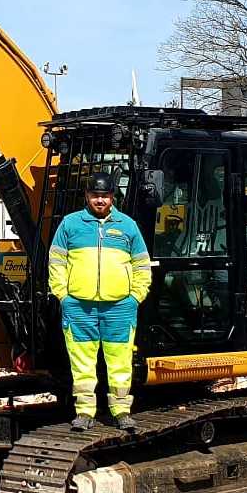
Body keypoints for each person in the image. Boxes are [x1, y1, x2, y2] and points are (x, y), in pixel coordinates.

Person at [47, 172, 152, 432]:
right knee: (82, 363)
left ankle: (121, 411)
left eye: (104, 196)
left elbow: (142, 265)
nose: (100, 200)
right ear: (86, 196)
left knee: (120, 362)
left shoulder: (127, 226)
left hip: (119, 308)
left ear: (112, 197)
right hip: (79, 307)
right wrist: (63, 295)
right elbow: (56, 262)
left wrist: (135, 297)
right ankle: (84, 412)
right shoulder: (70, 225)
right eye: (95, 195)